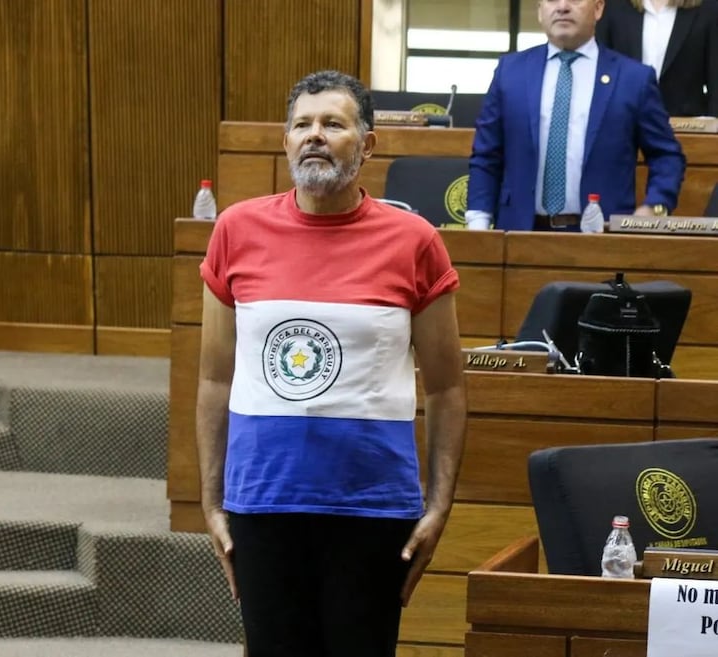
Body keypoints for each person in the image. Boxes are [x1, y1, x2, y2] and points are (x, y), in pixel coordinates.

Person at [196, 69, 467, 657]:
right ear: (285, 140)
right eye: (302, 124)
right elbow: (215, 377)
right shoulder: (236, 231)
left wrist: (439, 506)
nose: (314, 135)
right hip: (263, 501)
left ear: (367, 145)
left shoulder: (414, 240)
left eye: (333, 124)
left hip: (370, 507)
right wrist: (211, 501)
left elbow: (446, 389)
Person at [465, 0, 686, 232]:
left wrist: (655, 207)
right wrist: (479, 222)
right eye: (551, 0)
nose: (562, 7)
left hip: (603, 239)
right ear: (540, 11)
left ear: (598, 8)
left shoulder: (633, 79)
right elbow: (486, 155)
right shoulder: (510, 72)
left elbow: (667, 156)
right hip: (519, 234)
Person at [596, 0, 718, 118]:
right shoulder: (613, 6)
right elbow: (601, 70)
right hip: (624, 125)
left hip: (686, 130)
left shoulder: (709, 9)